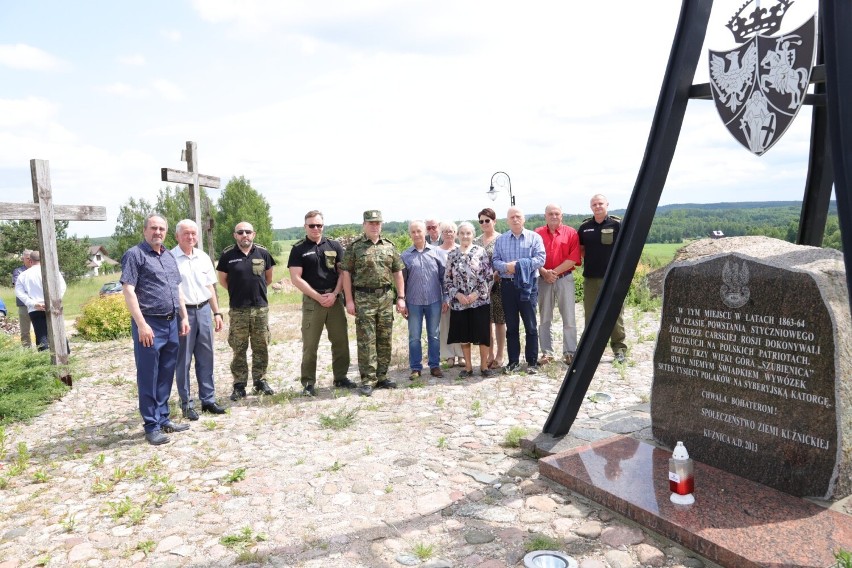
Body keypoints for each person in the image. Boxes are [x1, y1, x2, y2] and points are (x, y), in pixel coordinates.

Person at [121, 214, 191, 445]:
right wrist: (141, 324)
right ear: (144, 231)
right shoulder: (135, 255)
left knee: (165, 373)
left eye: (161, 228)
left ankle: (163, 418)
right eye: (153, 228)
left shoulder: (169, 256)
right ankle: (151, 425)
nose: (157, 232)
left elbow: (177, 289)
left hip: (172, 323)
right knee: (148, 375)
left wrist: (183, 317)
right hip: (149, 324)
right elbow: (129, 291)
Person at [287, 210, 356, 396]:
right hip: (313, 302)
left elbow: (343, 273)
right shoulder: (298, 248)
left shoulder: (334, 245)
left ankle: (340, 377)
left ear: (323, 226)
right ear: (305, 227)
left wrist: (334, 294)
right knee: (310, 345)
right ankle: (308, 383)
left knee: (341, 341)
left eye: (319, 225)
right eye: (312, 225)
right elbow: (296, 278)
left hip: (334, 300)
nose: (316, 228)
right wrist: (318, 297)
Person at [341, 210, 406, 397]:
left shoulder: (389, 247)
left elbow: (397, 273)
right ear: (364, 225)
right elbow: (346, 274)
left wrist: (400, 297)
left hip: (385, 297)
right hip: (363, 297)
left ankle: (382, 376)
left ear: (381, 225)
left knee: (385, 338)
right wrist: (349, 300)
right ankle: (368, 380)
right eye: (371, 223)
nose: (374, 226)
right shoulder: (355, 247)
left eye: (377, 223)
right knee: (366, 340)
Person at [171, 219, 227, 419]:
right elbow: (174, 291)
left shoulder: (203, 257)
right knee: (183, 360)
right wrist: (183, 316)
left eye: (194, 233)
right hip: (183, 314)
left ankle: (208, 400)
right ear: (177, 236)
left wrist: (217, 312)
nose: (191, 237)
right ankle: (186, 404)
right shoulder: (170, 258)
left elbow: (210, 287)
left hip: (203, 310)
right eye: (186, 233)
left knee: (206, 357)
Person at [217, 221, 277, 401]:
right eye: (240, 232)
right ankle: (239, 385)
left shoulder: (263, 253)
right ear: (235, 235)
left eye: (248, 232)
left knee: (261, 346)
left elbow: (268, 279)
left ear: (254, 234)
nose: (244, 235)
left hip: (260, 309)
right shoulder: (227, 255)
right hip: (238, 310)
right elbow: (223, 281)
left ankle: (260, 381)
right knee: (238, 347)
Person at [492, 206, 546, 374]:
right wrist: (507, 267)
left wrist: (520, 266)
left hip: (528, 285)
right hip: (507, 286)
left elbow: (541, 259)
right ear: (507, 220)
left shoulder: (534, 237)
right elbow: (495, 261)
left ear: (523, 219)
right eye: (512, 217)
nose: (515, 219)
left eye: (518, 216)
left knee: (530, 325)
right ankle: (513, 361)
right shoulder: (501, 240)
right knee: (512, 326)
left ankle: (531, 362)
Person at [578, 194, 627, 364]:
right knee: (590, 315)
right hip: (591, 278)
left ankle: (619, 349)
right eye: (594, 204)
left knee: (615, 314)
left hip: (613, 278)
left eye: (600, 203)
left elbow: (626, 248)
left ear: (607, 204)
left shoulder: (618, 224)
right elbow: (581, 249)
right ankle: (589, 350)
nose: (597, 206)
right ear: (591, 207)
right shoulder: (585, 227)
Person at [444, 222, 493, 378]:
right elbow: (447, 279)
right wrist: (457, 295)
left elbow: (489, 276)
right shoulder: (452, 255)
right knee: (464, 334)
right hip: (460, 303)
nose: (465, 236)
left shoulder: (481, 252)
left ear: (473, 235)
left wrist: (476, 294)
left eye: (468, 233)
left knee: (482, 334)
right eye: (462, 233)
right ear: (458, 235)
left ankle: (484, 366)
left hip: (479, 301)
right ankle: (468, 367)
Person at [535, 204, 582, 365]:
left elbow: (573, 258)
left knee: (569, 317)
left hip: (564, 279)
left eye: (557, 214)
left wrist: (552, 273)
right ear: (545, 216)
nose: (554, 216)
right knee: (545, 317)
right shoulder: (538, 233)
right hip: (543, 280)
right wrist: (544, 272)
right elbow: (532, 257)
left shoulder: (571, 233)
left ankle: (570, 352)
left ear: (561, 216)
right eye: (550, 214)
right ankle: (547, 353)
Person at [400, 220, 445, 380]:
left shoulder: (437, 252)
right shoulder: (405, 256)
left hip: (434, 300)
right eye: (413, 232)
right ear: (410, 234)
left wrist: (445, 298)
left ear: (425, 232)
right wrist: (402, 302)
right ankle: (416, 368)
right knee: (414, 336)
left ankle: (435, 365)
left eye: (419, 231)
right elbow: (401, 282)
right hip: (413, 302)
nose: (416, 234)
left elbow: (443, 278)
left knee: (434, 334)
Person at [14, 250, 67, 351]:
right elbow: (62, 286)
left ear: (30, 260)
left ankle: (44, 360)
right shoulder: (53, 271)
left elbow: (19, 292)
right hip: (53, 306)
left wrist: (32, 303)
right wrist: (54, 301)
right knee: (59, 333)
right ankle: (65, 356)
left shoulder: (24, 275)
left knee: (41, 336)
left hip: (35, 309)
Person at [474, 208, 506, 369]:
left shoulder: (502, 239)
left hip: (498, 285)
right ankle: (490, 354)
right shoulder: (476, 241)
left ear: (494, 221)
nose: (484, 223)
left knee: (500, 321)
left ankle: (500, 355)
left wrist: (496, 273)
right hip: (481, 288)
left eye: (487, 220)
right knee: (486, 322)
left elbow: (506, 259)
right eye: (481, 221)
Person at [434, 221, 465, 367]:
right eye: (445, 231)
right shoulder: (435, 252)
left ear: (456, 233)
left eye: (451, 231)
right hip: (443, 293)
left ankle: (461, 354)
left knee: (460, 323)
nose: (448, 234)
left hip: (461, 293)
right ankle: (448, 355)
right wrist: (444, 296)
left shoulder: (461, 249)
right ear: (441, 233)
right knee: (445, 324)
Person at [11, 250, 33, 347]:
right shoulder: (18, 271)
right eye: (27, 258)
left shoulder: (38, 270)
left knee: (41, 329)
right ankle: (27, 352)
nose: (29, 260)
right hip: (24, 305)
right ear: (23, 259)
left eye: (30, 258)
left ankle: (43, 351)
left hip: (38, 303)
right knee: (25, 331)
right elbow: (18, 286)